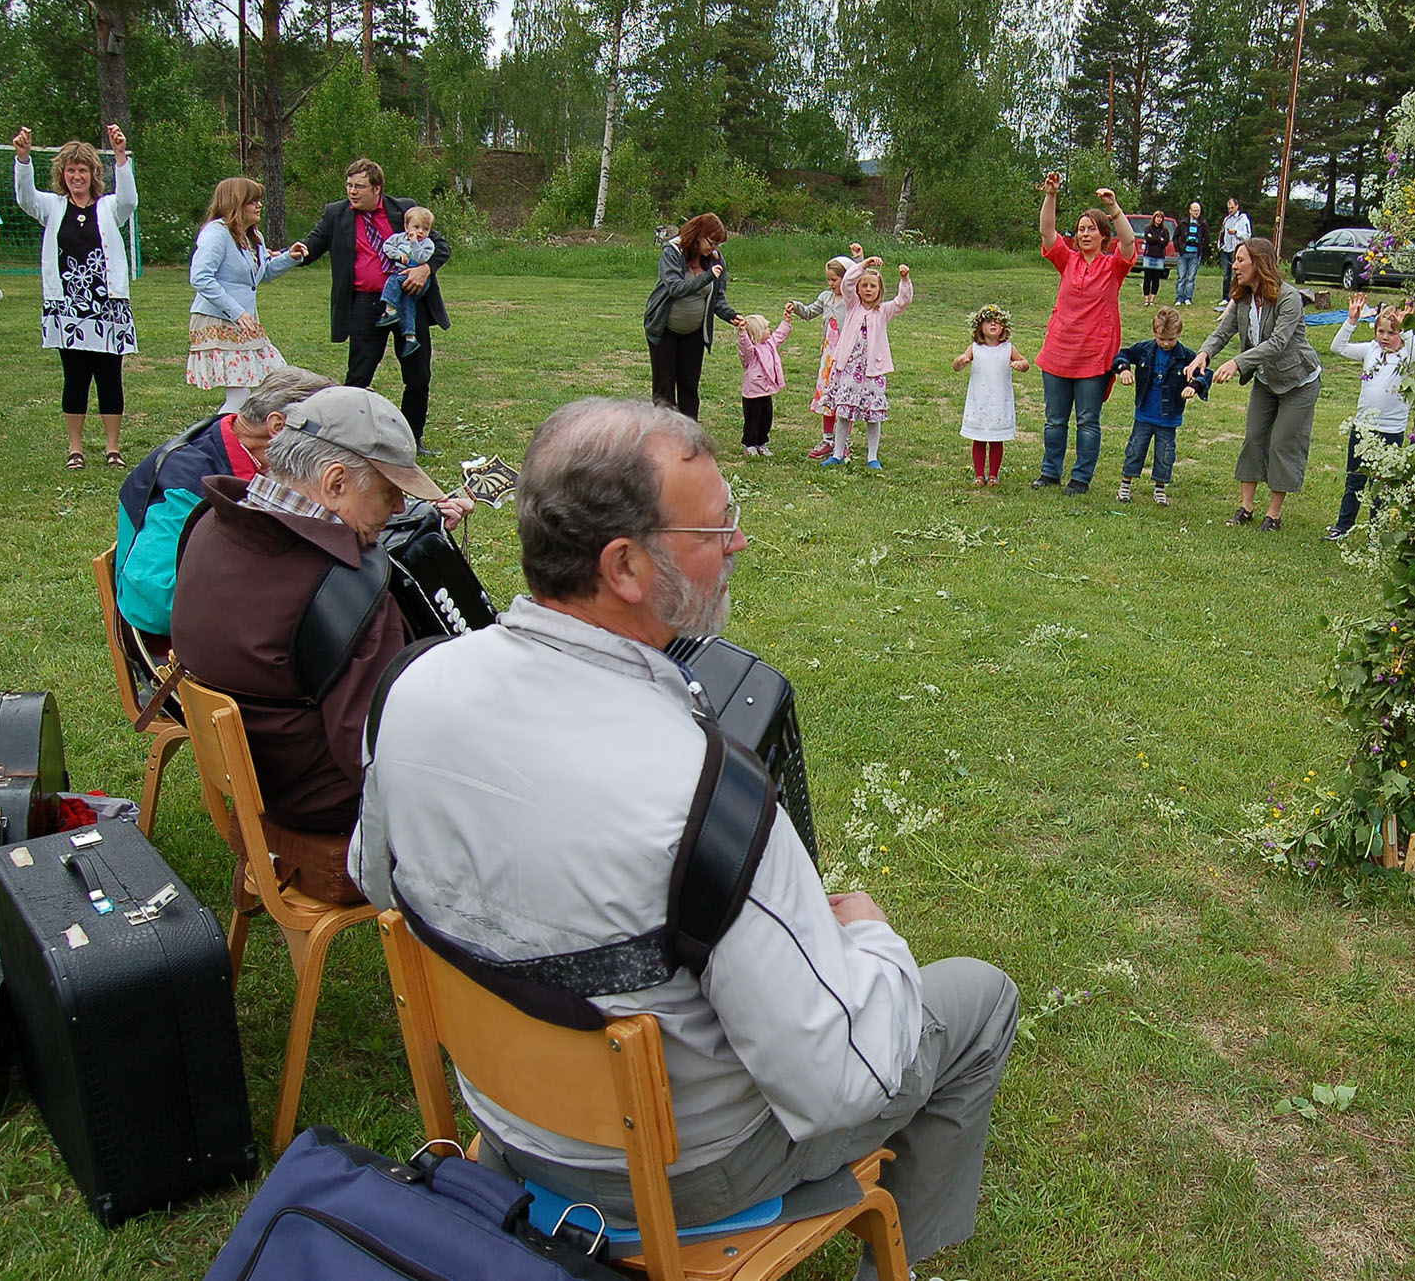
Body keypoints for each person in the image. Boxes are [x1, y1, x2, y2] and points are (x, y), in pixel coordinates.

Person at [351, 398, 1019, 1281]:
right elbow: (839, 1085)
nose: (736, 543)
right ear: (625, 565)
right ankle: (895, 1252)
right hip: (679, 1175)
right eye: (715, 528)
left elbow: (374, 882)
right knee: (977, 996)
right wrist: (871, 936)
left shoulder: (412, 686)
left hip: (503, 1128)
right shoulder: (710, 799)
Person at [173, 385, 445, 903]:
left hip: (256, 781)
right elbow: (378, 757)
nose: (401, 504)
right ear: (336, 482)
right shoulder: (348, 591)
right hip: (325, 809)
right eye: (390, 489)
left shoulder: (212, 522)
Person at [114, 366, 336, 642]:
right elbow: (153, 596)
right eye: (325, 440)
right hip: (181, 645)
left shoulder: (250, 446)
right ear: (278, 427)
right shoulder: (188, 479)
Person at [291, 159, 451, 449]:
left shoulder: (403, 209)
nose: (352, 192)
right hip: (365, 304)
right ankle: (348, 438)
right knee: (358, 375)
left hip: (408, 302)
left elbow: (440, 246)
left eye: (359, 186)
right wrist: (292, 253)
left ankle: (412, 440)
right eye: (349, 185)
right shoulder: (335, 215)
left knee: (417, 376)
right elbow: (310, 248)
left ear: (377, 188)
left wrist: (425, 269)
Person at [12, 124, 137, 470]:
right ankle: (75, 449)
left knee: (110, 377)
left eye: (82, 170)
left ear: (93, 174)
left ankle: (113, 448)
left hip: (107, 305)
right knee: (75, 377)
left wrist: (120, 154)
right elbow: (25, 197)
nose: (76, 176)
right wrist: (23, 158)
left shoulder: (110, 207)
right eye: (70, 170)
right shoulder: (52, 207)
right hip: (67, 307)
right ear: (62, 174)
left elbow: (130, 199)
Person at [1189, 239, 1323, 529]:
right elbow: (1222, 332)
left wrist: (1238, 363)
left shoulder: (1289, 298)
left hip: (1298, 381)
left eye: (1240, 260)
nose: (1234, 265)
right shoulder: (1243, 298)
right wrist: (1203, 354)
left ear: (1259, 262)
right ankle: (1245, 508)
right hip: (1266, 380)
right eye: (1235, 260)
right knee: (1253, 438)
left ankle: (1273, 515)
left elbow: (1277, 343)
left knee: (1282, 443)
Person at [1033, 172, 1137, 496]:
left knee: (1088, 421)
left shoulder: (1113, 266)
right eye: (1081, 229)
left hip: (1094, 354)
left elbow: (1130, 242)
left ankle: (1081, 478)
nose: (1085, 233)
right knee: (1055, 420)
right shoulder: (1067, 260)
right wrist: (1051, 195)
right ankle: (1050, 473)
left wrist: (1114, 209)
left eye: (1092, 228)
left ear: (1104, 235)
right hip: (1059, 350)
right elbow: (1047, 232)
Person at [188, 176, 300, 415]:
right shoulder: (216, 233)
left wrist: (290, 257)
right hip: (220, 321)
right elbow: (200, 277)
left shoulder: (253, 237)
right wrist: (236, 312)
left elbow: (262, 274)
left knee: (277, 379)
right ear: (235, 203)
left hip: (246, 322)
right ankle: (218, 441)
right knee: (239, 395)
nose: (259, 205)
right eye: (252, 201)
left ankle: (232, 438)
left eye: (259, 200)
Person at [1325, 294, 1415, 540]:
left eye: (1392, 333)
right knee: (1354, 480)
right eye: (1381, 332)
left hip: (1391, 430)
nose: (1385, 338)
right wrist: (1351, 321)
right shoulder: (1371, 350)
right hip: (1363, 427)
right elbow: (1337, 347)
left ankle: (1376, 531)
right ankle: (1343, 526)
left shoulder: (1407, 357)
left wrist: (1408, 329)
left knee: (1381, 485)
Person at [642, 212, 744, 421]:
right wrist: (708, 276)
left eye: (718, 246)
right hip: (664, 330)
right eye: (712, 243)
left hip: (694, 333)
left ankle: (689, 437)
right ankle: (665, 437)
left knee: (689, 387)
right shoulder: (672, 252)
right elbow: (675, 288)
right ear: (698, 235)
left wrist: (730, 315)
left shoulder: (715, 260)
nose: (714, 250)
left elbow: (717, 298)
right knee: (664, 388)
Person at [1112, 307, 1210, 507]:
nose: (1165, 344)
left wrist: (1194, 385)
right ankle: (1125, 485)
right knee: (1135, 449)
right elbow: (1123, 354)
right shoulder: (1145, 349)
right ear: (1154, 333)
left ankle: (1160, 489)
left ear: (1179, 334)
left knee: (1165, 454)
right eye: (1161, 339)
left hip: (1169, 416)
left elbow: (1205, 372)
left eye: (1171, 340)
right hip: (1144, 414)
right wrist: (1123, 369)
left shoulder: (1186, 356)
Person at [820, 256, 912, 469]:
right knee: (843, 410)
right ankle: (837, 453)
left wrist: (905, 279)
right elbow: (846, 282)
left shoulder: (884, 311)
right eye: (864, 285)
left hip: (874, 370)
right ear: (858, 289)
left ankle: (872, 456)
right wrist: (863, 265)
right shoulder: (852, 305)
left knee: (873, 415)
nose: (868, 289)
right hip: (849, 368)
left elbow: (903, 301)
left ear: (879, 290)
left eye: (873, 286)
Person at [953, 303, 1031, 487]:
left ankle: (994, 475)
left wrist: (1022, 365)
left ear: (1004, 327)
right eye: (988, 321)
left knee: (997, 439)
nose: (993, 325)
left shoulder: (1007, 348)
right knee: (979, 438)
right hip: (979, 398)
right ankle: (979, 474)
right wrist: (960, 362)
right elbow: (957, 366)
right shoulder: (974, 348)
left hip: (999, 399)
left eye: (997, 321)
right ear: (980, 327)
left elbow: (1024, 362)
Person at [791, 256, 850, 459]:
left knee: (844, 399)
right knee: (827, 399)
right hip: (828, 357)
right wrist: (796, 306)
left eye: (835, 279)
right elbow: (809, 312)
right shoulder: (825, 297)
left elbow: (859, 277)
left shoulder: (852, 300)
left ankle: (844, 443)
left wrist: (859, 259)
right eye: (829, 280)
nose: (831, 284)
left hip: (846, 357)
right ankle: (827, 440)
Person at [373, 205, 436, 358]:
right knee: (407, 305)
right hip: (402, 271)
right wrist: (398, 255)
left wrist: (414, 243)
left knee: (392, 282)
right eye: (416, 227)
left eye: (425, 229)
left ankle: (390, 310)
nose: (420, 232)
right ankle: (410, 337)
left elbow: (422, 258)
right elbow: (386, 247)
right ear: (406, 227)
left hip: (417, 278)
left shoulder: (427, 244)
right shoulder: (398, 238)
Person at [734, 307, 793, 457]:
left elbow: (779, 335)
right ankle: (750, 444)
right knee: (752, 419)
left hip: (766, 391)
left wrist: (786, 321)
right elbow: (744, 347)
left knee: (766, 418)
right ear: (757, 333)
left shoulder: (770, 344)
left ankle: (761, 442)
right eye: (766, 328)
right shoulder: (751, 352)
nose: (770, 330)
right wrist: (742, 333)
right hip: (752, 392)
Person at [1216, 197, 1252, 308]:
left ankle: (1236, 296)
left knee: (1236, 274)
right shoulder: (1227, 219)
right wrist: (1220, 244)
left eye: (1232, 208)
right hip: (1226, 249)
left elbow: (1248, 235)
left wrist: (1236, 232)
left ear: (1237, 206)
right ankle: (1225, 297)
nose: (1230, 210)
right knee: (1226, 274)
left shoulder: (1243, 219)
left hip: (1237, 250)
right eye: (1228, 208)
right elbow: (1222, 232)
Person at [1174, 202, 1204, 306]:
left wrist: (1201, 247)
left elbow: (1207, 238)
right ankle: (1179, 298)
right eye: (1195, 210)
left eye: (1198, 210)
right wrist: (1178, 248)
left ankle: (1188, 298)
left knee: (1191, 277)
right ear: (1190, 211)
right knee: (1181, 277)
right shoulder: (1183, 223)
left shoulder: (1202, 223)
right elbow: (1175, 236)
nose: (1197, 212)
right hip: (1183, 254)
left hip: (1195, 255)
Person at [1140, 210, 1171, 305]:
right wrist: (1158, 239)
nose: (1159, 219)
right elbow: (1148, 239)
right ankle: (1146, 299)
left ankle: (1153, 299)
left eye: (1161, 218)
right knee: (1147, 278)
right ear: (1154, 218)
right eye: (1157, 217)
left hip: (1159, 257)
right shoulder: (1148, 228)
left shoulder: (1165, 230)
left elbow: (1165, 242)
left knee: (1156, 278)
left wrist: (1155, 238)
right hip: (1149, 256)